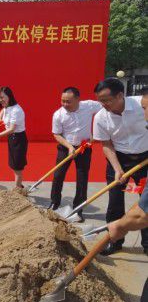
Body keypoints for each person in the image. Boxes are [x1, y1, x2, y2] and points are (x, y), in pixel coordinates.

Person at [108, 87, 148, 302]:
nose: (145, 115)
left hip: (140, 159)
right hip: (123, 159)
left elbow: (143, 215)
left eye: (146, 109)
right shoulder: (103, 116)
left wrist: (120, 226)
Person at [93, 78, 148, 256]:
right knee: (115, 201)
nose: (103, 104)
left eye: (106, 100)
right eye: (100, 100)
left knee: (145, 204)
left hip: (145, 158)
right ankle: (114, 241)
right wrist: (117, 169)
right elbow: (106, 144)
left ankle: (147, 244)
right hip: (119, 158)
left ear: (120, 95)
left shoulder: (142, 104)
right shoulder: (101, 117)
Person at [49, 87, 102, 221]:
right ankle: (54, 202)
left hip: (84, 148)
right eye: (63, 101)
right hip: (65, 147)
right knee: (58, 174)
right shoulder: (58, 114)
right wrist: (69, 147)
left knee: (82, 178)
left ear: (78, 99)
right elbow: (56, 134)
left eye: (68, 101)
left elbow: (105, 111)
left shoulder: (89, 106)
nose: (65, 104)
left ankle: (78, 209)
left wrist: (96, 133)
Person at [0, 87, 28, 188]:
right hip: (12, 138)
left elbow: (11, 129)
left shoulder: (16, 110)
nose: (1, 100)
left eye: (3, 97)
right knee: (13, 165)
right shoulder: (6, 107)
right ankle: (19, 186)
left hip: (19, 139)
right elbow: (3, 111)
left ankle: (17, 189)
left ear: (9, 96)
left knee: (17, 167)